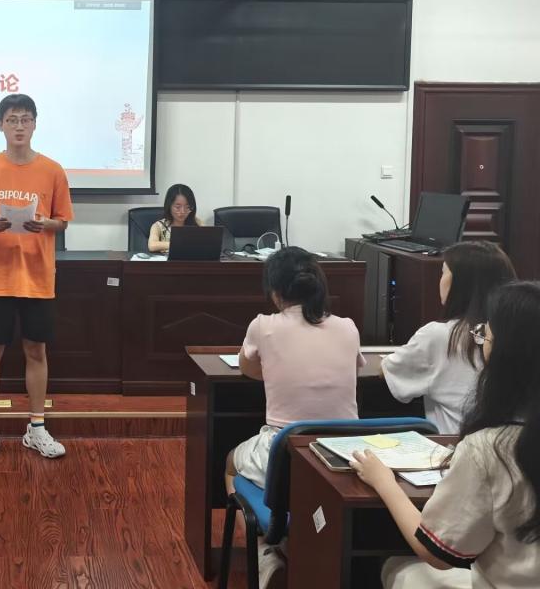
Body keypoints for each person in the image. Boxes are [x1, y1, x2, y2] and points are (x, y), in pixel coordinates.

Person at [351, 281, 540, 589]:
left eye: (484, 336)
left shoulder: (489, 449)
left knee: (399, 569)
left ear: (505, 355)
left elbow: (435, 552)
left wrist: (384, 482)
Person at [225, 247, 365, 586]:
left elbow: (248, 368)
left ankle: (265, 552)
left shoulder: (263, 326)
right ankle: (295, 543)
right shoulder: (348, 327)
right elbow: (357, 368)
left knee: (230, 463)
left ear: (275, 292)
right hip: (344, 455)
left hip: (285, 452)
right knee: (306, 490)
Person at [0, 93, 74, 461]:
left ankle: (36, 427)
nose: (19, 126)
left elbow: (63, 221)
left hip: (38, 277)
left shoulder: (53, 170)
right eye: (12, 120)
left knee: (36, 350)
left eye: (26, 119)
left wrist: (44, 223)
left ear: (35, 124)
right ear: (0, 125)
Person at [382, 240, 516, 434]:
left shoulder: (440, 336)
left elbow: (390, 371)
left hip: (455, 448)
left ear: (460, 283)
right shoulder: (520, 332)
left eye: (443, 272)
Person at [147, 183, 202, 254]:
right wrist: (180, 244)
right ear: (169, 206)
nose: (182, 211)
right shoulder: (159, 226)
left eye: (187, 207)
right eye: (177, 207)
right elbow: (152, 246)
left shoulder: (197, 223)